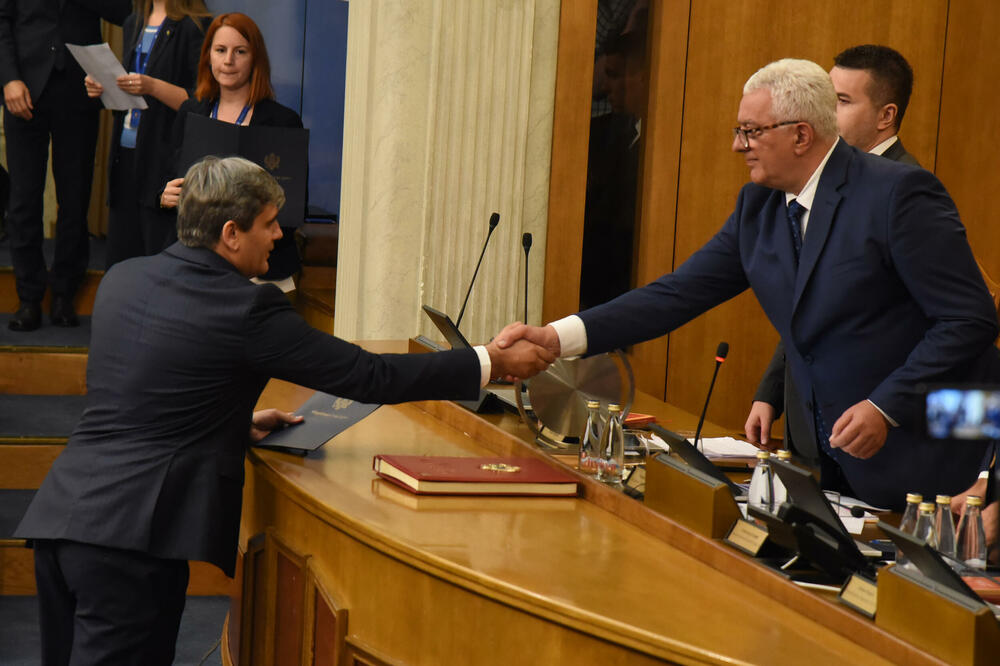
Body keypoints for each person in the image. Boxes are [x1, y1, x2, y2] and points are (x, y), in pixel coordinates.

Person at [15, 155, 554, 664]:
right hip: (130, 546)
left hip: (63, 519)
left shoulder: (123, 277)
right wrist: (489, 361)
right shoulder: (246, 306)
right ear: (231, 234)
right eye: (270, 223)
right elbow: (370, 375)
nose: (279, 235)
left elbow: (146, 389)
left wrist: (229, 421)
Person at [496, 58, 1000, 512]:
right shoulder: (758, 206)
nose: (738, 145)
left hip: (924, 462)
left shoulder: (898, 194)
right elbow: (674, 295)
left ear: (800, 136)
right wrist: (557, 339)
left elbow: (969, 319)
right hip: (828, 464)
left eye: (751, 132)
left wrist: (885, 406)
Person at [745, 45, 920, 462]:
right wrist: (771, 392)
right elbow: (811, 305)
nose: (825, 111)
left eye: (840, 101)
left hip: (870, 433)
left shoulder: (905, 189)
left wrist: (883, 408)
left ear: (885, 116)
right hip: (812, 424)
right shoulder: (823, 181)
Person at [0, 0, 131, 331]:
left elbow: (123, 12)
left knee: (75, 198)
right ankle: (29, 297)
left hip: (80, 88)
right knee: (23, 199)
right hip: (23, 86)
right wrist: (9, 79)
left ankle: (64, 293)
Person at [160, 11, 303, 279]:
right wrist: (165, 196)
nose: (228, 61)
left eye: (240, 52)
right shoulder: (190, 112)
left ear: (255, 59)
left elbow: (291, 210)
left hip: (264, 267)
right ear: (208, 56)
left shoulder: (284, 121)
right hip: (196, 264)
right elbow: (168, 178)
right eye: (220, 50)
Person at [83, 0, 211, 268]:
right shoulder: (134, 22)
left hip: (162, 159)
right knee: (121, 259)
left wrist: (152, 86)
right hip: (125, 155)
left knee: (156, 257)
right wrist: (104, 88)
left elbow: (200, 102)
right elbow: (129, 91)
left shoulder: (194, 26)